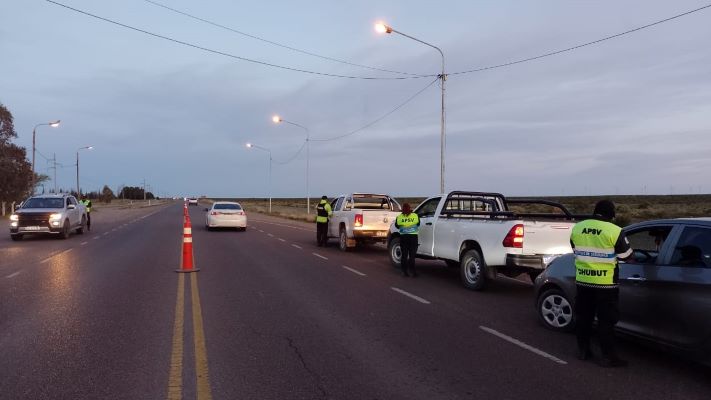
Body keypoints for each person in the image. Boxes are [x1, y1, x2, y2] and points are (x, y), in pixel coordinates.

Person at [570, 200, 632, 367]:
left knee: (583, 317)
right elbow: (626, 256)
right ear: (611, 214)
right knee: (606, 321)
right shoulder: (615, 230)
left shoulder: (578, 228)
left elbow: (575, 249)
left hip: (583, 281)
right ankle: (608, 357)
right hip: (606, 284)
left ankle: (583, 351)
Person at [395, 203, 420, 277]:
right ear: (410, 208)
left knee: (404, 255)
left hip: (404, 238)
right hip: (413, 238)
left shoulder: (399, 217)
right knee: (412, 256)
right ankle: (413, 272)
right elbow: (418, 224)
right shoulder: (415, 215)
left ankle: (404, 271)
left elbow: (397, 226)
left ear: (402, 209)